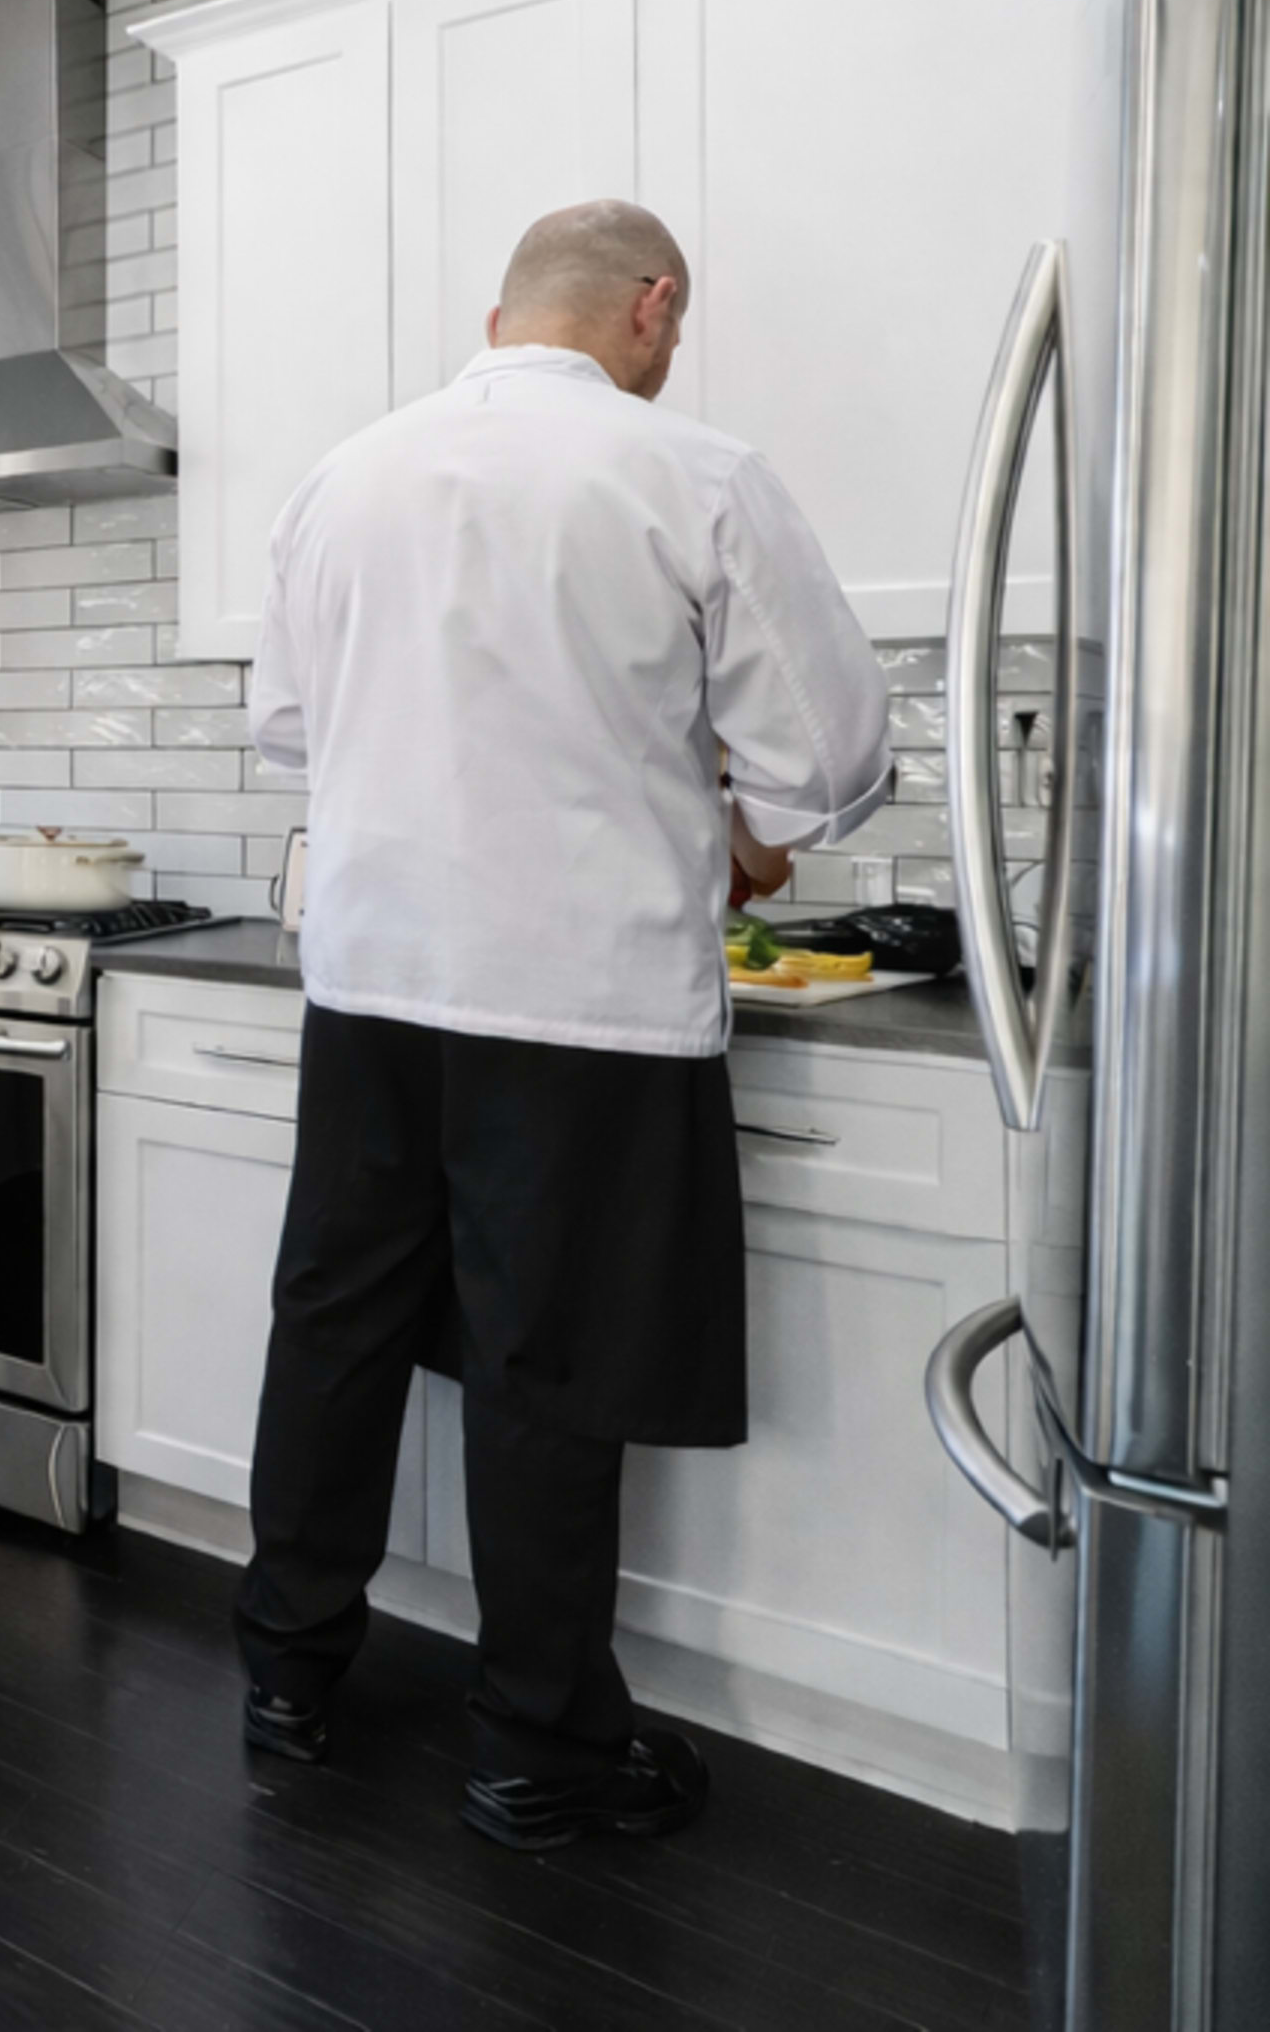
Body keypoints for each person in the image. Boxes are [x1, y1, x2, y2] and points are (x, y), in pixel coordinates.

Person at [234, 200, 891, 1847]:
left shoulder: (346, 472)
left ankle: (287, 1675)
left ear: (500, 310)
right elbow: (827, 754)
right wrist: (733, 801)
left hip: (372, 977)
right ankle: (539, 1743)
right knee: (545, 1361)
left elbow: (286, 725)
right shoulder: (693, 473)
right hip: (575, 996)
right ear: (653, 306)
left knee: (338, 1320)